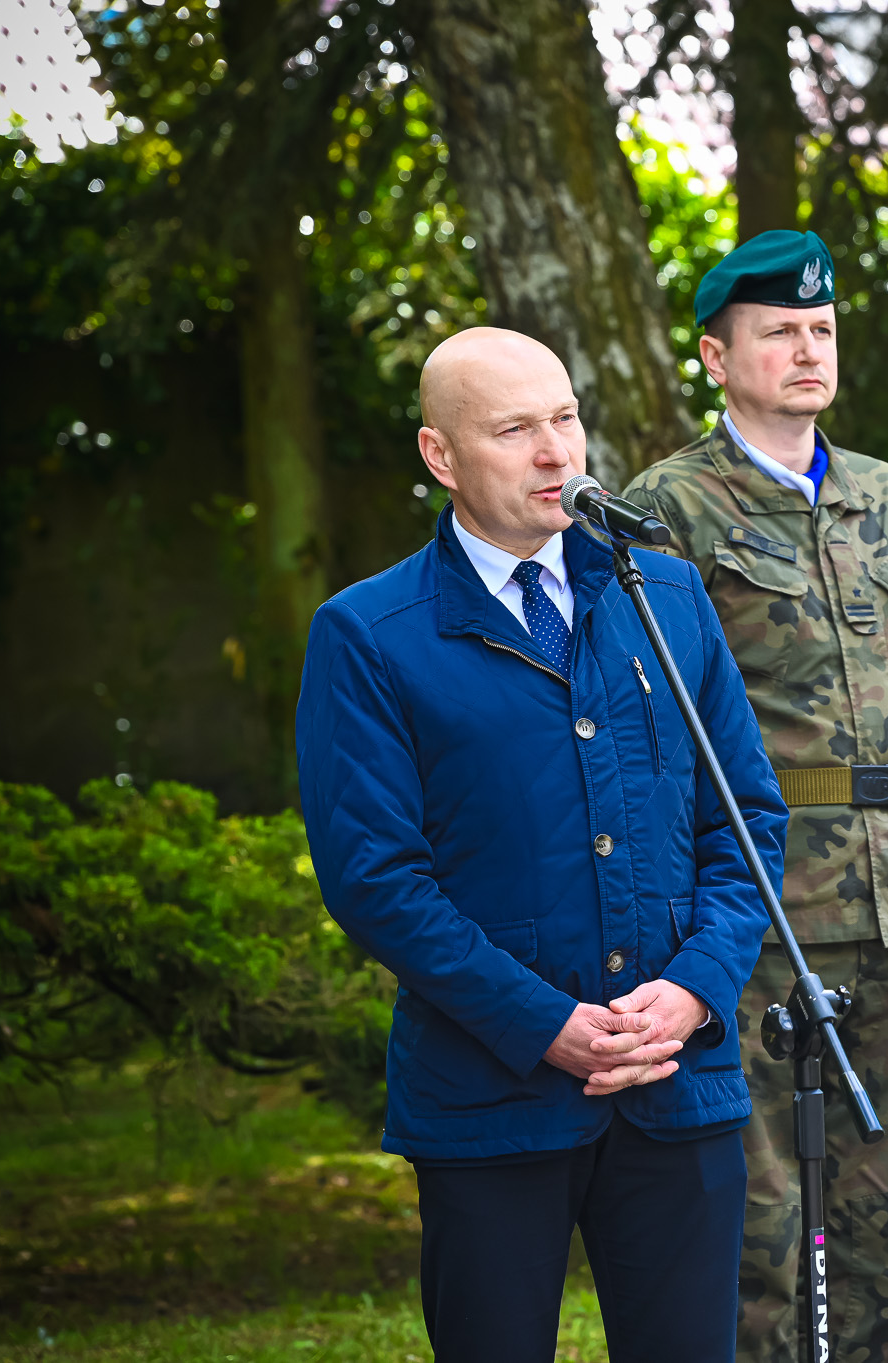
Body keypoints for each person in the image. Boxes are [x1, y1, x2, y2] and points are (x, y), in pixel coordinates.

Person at [297, 326, 787, 1363]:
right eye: (515, 429)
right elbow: (374, 879)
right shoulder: (370, 634)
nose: (556, 451)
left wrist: (695, 988)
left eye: (564, 417)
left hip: (677, 1082)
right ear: (440, 455)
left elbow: (744, 824)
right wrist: (543, 1023)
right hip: (489, 1100)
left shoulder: (665, 597)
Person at [623, 230, 888, 1363]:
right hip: (762, 912)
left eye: (820, 329)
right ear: (715, 356)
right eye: (778, 331)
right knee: (761, 1211)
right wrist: (691, 917)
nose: (807, 349)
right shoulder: (667, 509)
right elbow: (645, 732)